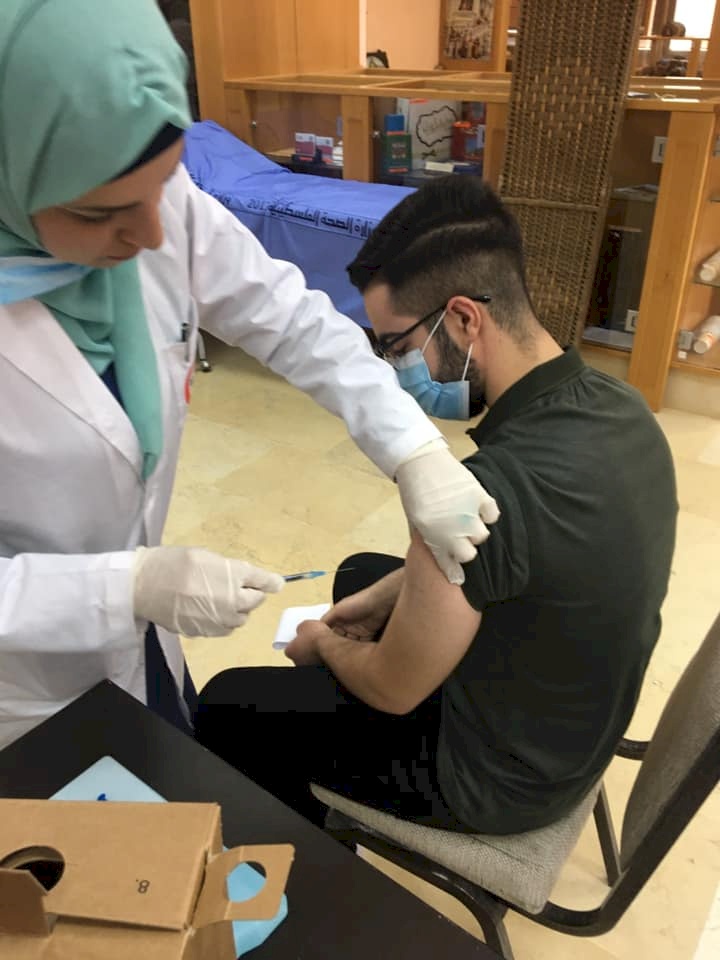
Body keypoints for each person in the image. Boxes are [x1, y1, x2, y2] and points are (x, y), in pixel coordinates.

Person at [0, 0, 500, 750]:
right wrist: (121, 588)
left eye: (163, 187)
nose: (152, 234)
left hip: (137, 651)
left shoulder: (159, 203)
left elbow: (290, 317)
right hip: (21, 684)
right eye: (102, 213)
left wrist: (414, 449)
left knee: (173, 762)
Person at [196, 176, 678, 835]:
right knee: (362, 577)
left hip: (498, 782)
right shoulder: (617, 405)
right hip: (573, 726)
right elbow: (527, 559)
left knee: (229, 705)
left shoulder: (487, 491)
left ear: (463, 319)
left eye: (396, 347)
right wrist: (388, 594)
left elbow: (393, 689)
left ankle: (312, 869)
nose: (395, 370)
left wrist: (323, 646)